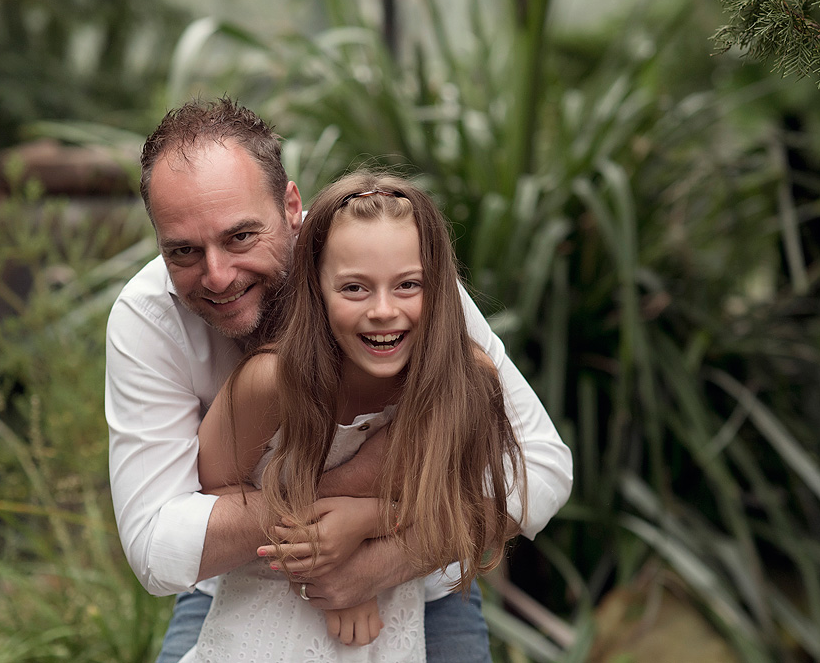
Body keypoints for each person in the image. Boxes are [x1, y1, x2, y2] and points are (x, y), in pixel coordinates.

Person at [105, 97, 573, 663]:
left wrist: (383, 553)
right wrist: (342, 506)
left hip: (417, 577)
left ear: (291, 207)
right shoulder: (151, 319)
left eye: (240, 237)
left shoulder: (379, 267)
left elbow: (541, 469)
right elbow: (157, 547)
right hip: (243, 584)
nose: (218, 275)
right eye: (183, 250)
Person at [178, 171, 525, 661]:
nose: (383, 311)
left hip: (387, 629)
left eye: (408, 285)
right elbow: (212, 501)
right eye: (355, 289)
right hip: (266, 629)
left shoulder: (463, 384)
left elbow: (468, 497)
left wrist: (367, 522)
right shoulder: (271, 381)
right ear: (315, 289)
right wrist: (320, 567)